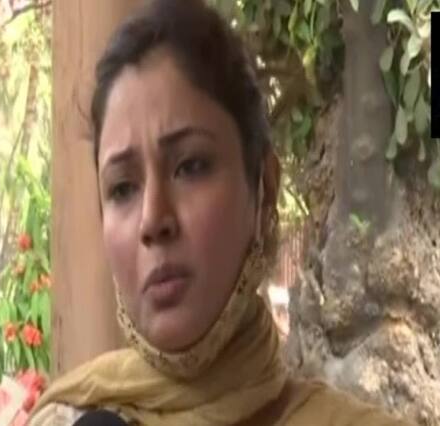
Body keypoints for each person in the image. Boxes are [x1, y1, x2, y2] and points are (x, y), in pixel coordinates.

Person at [30, 0, 414, 424]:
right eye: (122, 188)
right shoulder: (64, 417)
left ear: (264, 189)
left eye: (191, 166)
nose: (152, 220)